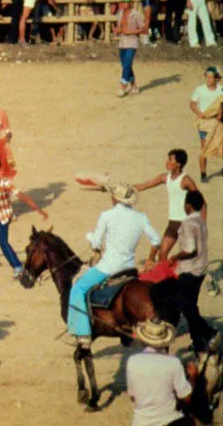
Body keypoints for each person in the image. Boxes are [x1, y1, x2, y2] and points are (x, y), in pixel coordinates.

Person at [69, 183, 161, 348]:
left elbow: (96, 243)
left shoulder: (106, 215)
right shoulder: (140, 217)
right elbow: (156, 240)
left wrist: (90, 237)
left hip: (108, 268)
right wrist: (150, 259)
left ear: (114, 198)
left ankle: (83, 334)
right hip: (129, 269)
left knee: (78, 288)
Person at [151, 191, 222, 354]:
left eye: (185, 203)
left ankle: (209, 332)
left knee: (161, 294)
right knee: (190, 306)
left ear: (188, 206)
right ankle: (198, 343)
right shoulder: (200, 221)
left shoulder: (188, 224)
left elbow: (190, 249)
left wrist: (174, 257)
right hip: (201, 269)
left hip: (189, 271)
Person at [135, 149, 205, 261]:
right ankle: (166, 278)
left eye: (170, 160)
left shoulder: (186, 180)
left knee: (189, 255)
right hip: (173, 223)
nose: (167, 162)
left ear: (178, 164)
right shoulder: (165, 177)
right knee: (162, 254)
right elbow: (144, 185)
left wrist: (202, 223)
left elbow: (202, 202)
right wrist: (126, 189)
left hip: (185, 223)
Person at [126, 319, 198, 426]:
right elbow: (186, 398)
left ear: (144, 339)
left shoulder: (132, 361)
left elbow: (133, 397)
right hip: (169, 420)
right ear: (165, 341)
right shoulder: (173, 362)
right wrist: (193, 376)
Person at [191, 67, 223, 183]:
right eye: (207, 77)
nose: (208, 79)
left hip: (218, 122)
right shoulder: (200, 90)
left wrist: (221, 114)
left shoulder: (221, 90)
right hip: (205, 123)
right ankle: (203, 173)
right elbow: (192, 104)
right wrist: (199, 113)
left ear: (217, 79)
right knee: (204, 149)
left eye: (211, 77)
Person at [113, 0, 146, 97]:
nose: (124, 4)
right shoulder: (120, 13)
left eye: (126, 2)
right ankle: (134, 86)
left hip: (132, 42)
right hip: (122, 42)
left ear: (130, 3)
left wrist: (131, 31)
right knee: (125, 65)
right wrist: (117, 30)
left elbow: (143, 28)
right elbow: (120, 27)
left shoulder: (136, 15)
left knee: (126, 65)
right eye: (123, 2)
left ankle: (123, 87)